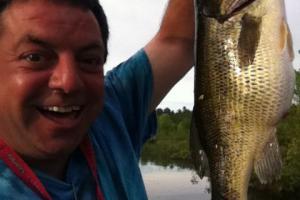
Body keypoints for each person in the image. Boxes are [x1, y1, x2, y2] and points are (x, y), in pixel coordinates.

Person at [0, 0, 194, 199]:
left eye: (90, 60)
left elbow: (180, 40)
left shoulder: (109, 114)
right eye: (35, 57)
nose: (68, 82)